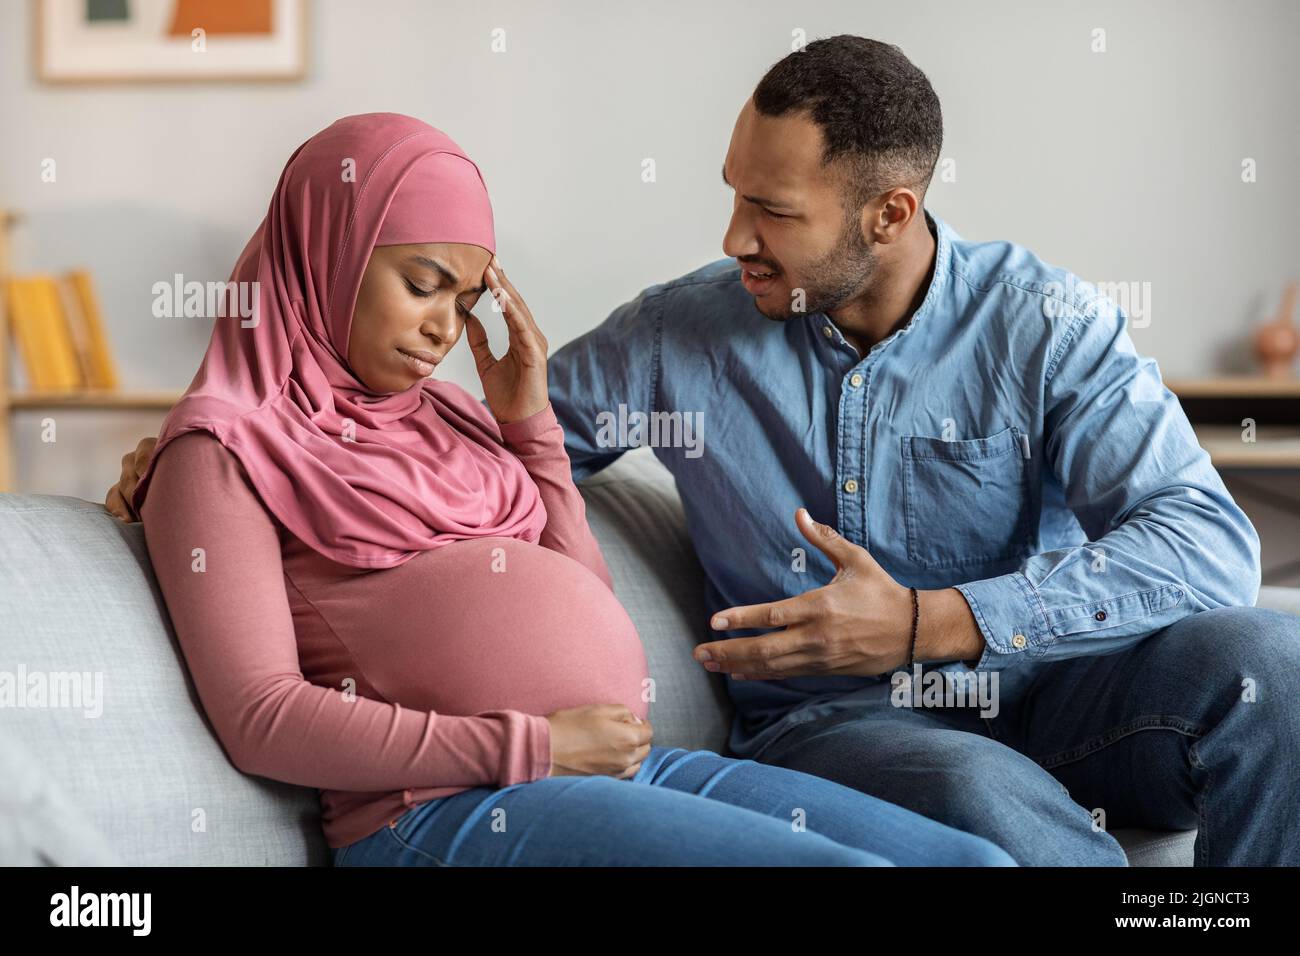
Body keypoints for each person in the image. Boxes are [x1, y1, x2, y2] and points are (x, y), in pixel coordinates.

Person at [117, 111, 1015, 867]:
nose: (442, 329)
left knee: (977, 862)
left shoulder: (454, 419)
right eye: (422, 285)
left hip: (621, 770)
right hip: (443, 806)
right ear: (328, 254)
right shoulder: (222, 450)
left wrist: (531, 430)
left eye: (466, 302)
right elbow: (260, 717)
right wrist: (532, 745)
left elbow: (586, 596)